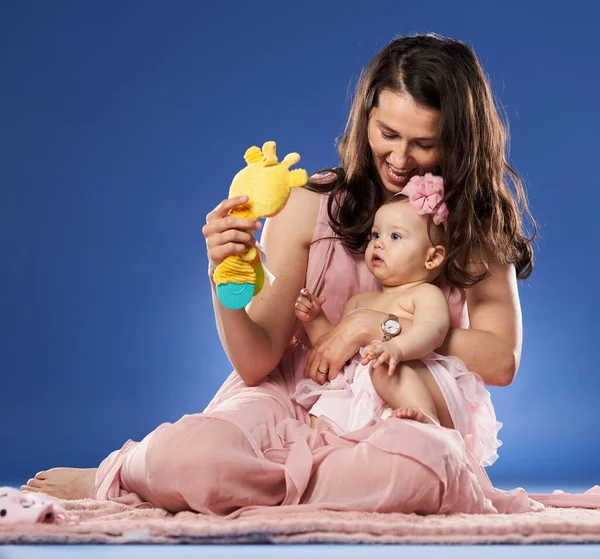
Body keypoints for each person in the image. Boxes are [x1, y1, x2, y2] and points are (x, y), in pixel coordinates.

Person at [23, 34, 557, 516]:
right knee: (198, 456)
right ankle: (129, 471)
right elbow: (258, 361)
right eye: (387, 133)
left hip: (397, 403)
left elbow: (501, 360)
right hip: (292, 396)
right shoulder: (308, 206)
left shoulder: (473, 223)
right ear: (365, 117)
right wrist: (225, 280)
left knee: (430, 465)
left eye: (424, 143)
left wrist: (373, 328)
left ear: (459, 142)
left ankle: (253, 488)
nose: (400, 158)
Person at [292, 176, 501, 468]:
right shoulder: (359, 302)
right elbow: (334, 348)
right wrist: (316, 321)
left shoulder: (424, 295)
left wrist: (398, 349)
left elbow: (433, 332)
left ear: (432, 258)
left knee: (382, 370)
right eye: (376, 235)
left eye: (395, 237)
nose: (378, 245)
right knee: (323, 410)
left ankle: (425, 424)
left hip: (413, 376)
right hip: (362, 392)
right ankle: (329, 462)